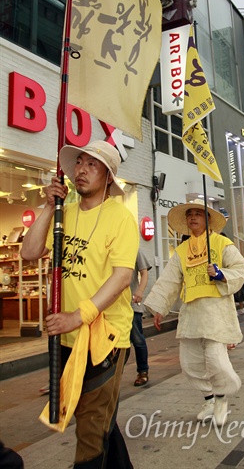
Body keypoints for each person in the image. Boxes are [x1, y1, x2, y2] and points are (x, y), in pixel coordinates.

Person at [20, 140, 137, 468]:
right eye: (80, 163)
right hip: (67, 336)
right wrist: (48, 206)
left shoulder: (119, 217)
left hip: (105, 338)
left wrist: (78, 316)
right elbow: (29, 253)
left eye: (92, 165)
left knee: (90, 429)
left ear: (109, 177)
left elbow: (122, 277)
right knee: (98, 421)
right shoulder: (64, 212)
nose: (81, 170)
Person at [144, 199, 244, 427]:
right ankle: (209, 400)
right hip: (191, 311)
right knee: (190, 362)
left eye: (198, 214)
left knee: (215, 359)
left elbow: (240, 269)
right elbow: (170, 280)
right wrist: (159, 308)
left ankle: (221, 398)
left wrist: (220, 274)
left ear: (208, 219)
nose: (192, 217)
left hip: (216, 312)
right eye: (189, 214)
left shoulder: (222, 244)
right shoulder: (181, 251)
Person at [130, 250, 151, 387]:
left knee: (138, 340)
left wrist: (140, 290)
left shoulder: (134, 249)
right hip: (111, 305)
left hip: (132, 303)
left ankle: (143, 371)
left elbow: (144, 272)